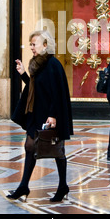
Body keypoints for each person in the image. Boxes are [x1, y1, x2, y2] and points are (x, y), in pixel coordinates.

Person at [8, 30, 73, 202]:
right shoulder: (38, 64)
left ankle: (63, 186)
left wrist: (53, 115)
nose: (31, 47)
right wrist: (23, 74)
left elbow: (57, 93)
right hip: (36, 113)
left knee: (58, 150)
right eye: (30, 44)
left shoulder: (53, 64)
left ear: (45, 45)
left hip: (50, 115)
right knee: (29, 146)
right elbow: (34, 88)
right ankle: (23, 186)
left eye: (34, 44)